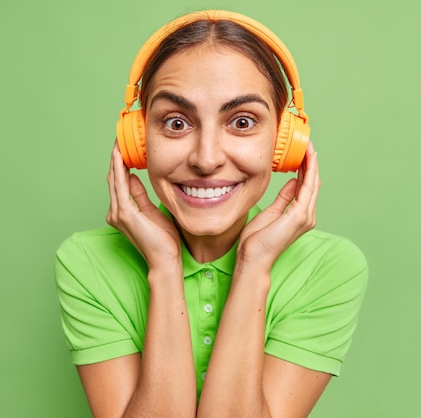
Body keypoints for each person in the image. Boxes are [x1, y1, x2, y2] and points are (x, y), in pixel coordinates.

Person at [55, 9, 368, 417]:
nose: (206, 159)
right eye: (176, 122)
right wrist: (164, 269)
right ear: (137, 140)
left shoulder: (329, 268)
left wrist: (254, 266)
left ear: (284, 142)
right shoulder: (87, 263)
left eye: (241, 121)